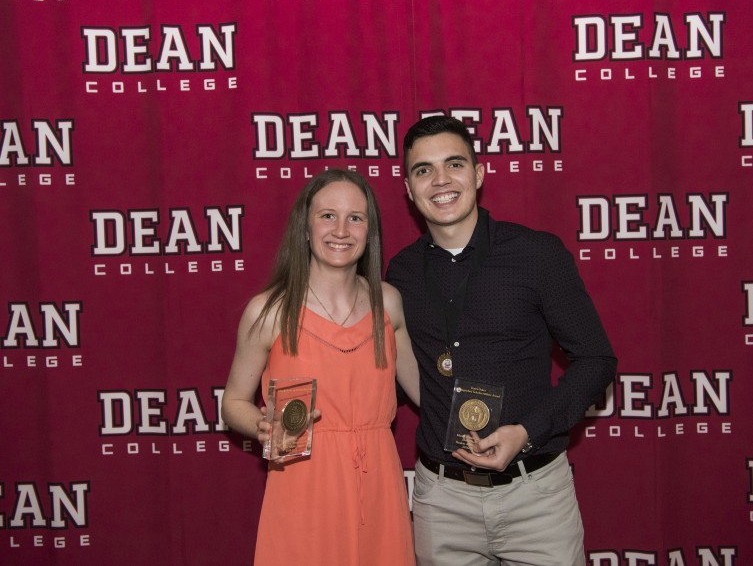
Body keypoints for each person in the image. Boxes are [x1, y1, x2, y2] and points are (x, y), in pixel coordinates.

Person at [386, 116, 617, 566]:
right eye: (423, 170)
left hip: (536, 499)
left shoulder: (537, 255)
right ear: (410, 191)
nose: (440, 181)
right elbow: (395, 373)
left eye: (454, 164)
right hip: (442, 502)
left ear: (478, 173)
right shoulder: (401, 274)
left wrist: (527, 432)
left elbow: (596, 360)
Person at [222, 168, 418, 566]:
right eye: (328, 215)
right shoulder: (269, 311)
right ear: (305, 227)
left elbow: (426, 393)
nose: (341, 230)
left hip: (378, 487)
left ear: (369, 231)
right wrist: (262, 426)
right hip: (303, 484)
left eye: (356, 218)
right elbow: (233, 402)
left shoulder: (389, 303)